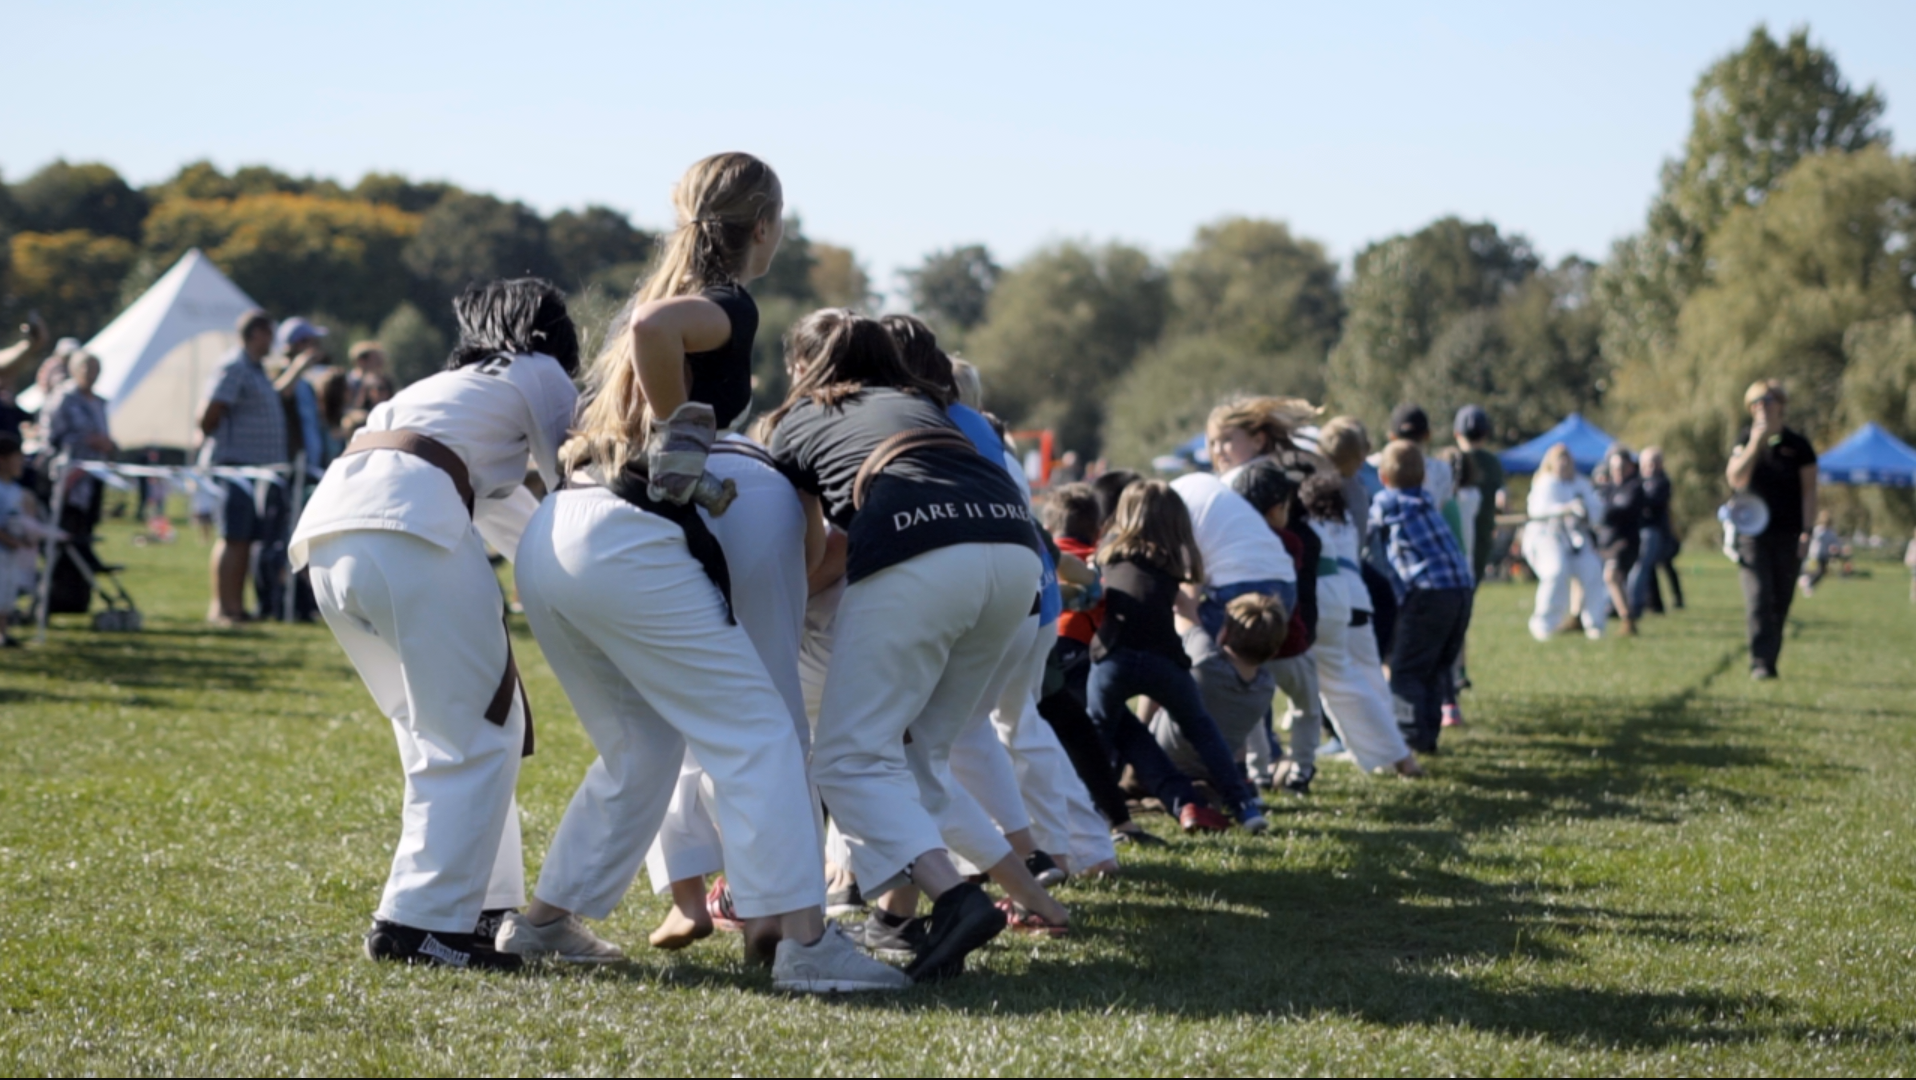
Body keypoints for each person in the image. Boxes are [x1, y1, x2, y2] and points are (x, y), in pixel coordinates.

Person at [764, 308, 1065, 978]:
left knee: (842, 758)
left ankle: (956, 899)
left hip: (920, 554)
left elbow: (808, 545)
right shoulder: (918, 401)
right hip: (1016, 559)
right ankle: (928, 911)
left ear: (805, 366)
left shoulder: (797, 417)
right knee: (922, 757)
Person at [289, 279, 580, 971]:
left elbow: (512, 515)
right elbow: (571, 493)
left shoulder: (443, 385)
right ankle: (419, 924)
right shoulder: (541, 375)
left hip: (331, 537)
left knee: (450, 733)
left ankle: (478, 905)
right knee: (477, 733)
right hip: (408, 530)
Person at [1087, 480, 1268, 834]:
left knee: (1097, 737)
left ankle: (1093, 812)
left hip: (1113, 655)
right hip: (1164, 659)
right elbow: (1187, 609)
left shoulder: (1109, 551)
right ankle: (1244, 807)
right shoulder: (1173, 557)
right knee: (1201, 728)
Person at [1297, 474, 1422, 777]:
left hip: (1332, 599)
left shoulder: (1312, 528)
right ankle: (1389, 751)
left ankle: (1389, 754)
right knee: (1372, 679)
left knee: (1341, 685)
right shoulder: (1348, 525)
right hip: (1360, 601)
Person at [1369, 441, 1473, 754]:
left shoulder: (1388, 503)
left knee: (1406, 669)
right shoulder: (1427, 501)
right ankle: (1427, 737)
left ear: (1383, 477)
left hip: (1429, 594)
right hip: (1461, 591)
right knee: (1434, 667)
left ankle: (1409, 739)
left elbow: (1366, 531)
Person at [199, 310, 289, 626]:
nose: (273, 342)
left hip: (255, 471)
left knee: (245, 539)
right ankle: (222, 608)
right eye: (269, 334)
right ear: (256, 334)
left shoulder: (256, 369)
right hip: (235, 467)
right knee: (233, 538)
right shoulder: (234, 366)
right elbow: (210, 412)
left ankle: (236, 607)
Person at [1725, 379, 1818, 680]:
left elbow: (1809, 492)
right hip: (1752, 535)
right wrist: (1756, 442)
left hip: (1789, 533)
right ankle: (1760, 662)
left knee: (1780, 599)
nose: (1762, 408)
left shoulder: (1799, 446)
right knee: (1758, 597)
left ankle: (1770, 657)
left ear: (1781, 405)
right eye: (1756, 403)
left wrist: (1807, 532)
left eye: (1768, 401)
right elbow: (1735, 479)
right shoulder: (1744, 440)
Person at [1523, 443, 1607, 641]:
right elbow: (1537, 511)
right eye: (1559, 459)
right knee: (1556, 571)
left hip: (1575, 538)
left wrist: (1585, 510)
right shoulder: (1545, 483)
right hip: (1546, 537)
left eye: (1566, 459)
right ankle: (1544, 623)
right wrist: (1565, 509)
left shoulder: (1580, 484)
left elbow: (1596, 510)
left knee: (1592, 570)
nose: (1563, 464)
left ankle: (1595, 625)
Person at [44, 350, 116, 537]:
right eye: (87, 368)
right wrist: (86, 440)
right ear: (74, 370)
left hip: (95, 470)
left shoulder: (99, 402)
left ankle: (84, 555)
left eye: (96, 369)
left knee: (89, 517)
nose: (92, 374)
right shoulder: (64, 397)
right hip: (70, 470)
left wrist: (108, 444)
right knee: (69, 516)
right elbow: (51, 435)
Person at [1453, 406, 1507, 586]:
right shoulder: (1492, 463)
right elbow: (1502, 500)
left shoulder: (1452, 459)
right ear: (1485, 434)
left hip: (1453, 534)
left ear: (1457, 433)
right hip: (1481, 535)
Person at [1597, 446, 1645, 636]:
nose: (1618, 471)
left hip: (1625, 542)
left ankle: (1627, 619)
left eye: (1622, 467)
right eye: (1614, 467)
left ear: (1630, 468)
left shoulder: (1634, 487)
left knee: (1611, 576)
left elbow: (1621, 510)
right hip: (1605, 542)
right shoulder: (1608, 488)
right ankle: (1579, 617)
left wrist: (1602, 510)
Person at [1629, 446, 1679, 617]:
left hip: (1654, 531)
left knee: (1644, 567)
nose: (1651, 467)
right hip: (1637, 530)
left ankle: (1634, 604)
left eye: (1655, 463)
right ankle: (1651, 604)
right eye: (1648, 463)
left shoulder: (1661, 482)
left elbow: (1649, 503)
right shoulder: (1637, 481)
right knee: (1644, 569)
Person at [1799, 511, 1842, 596]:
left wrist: (1835, 548)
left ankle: (1808, 584)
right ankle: (1806, 582)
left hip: (1824, 556)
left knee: (1820, 573)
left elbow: (1836, 543)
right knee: (1812, 571)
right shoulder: (1817, 530)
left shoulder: (1831, 532)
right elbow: (1808, 537)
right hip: (1814, 555)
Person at [347, 341, 397, 412]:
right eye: (376, 359)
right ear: (361, 361)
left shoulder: (384, 382)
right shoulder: (348, 384)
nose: (381, 363)